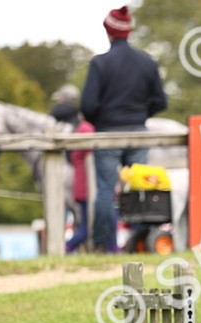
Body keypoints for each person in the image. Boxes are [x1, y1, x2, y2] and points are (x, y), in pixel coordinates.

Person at [81, 5, 168, 252]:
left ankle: (102, 246)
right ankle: (141, 242)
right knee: (141, 187)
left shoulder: (99, 64)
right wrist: (140, 116)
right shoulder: (147, 62)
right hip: (138, 133)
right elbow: (161, 101)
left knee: (106, 191)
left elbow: (88, 105)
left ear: (108, 31)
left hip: (108, 134)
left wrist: (102, 121)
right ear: (128, 31)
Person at [50, 85, 95, 253]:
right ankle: (68, 247)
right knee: (85, 222)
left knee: (82, 222)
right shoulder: (81, 124)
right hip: (81, 182)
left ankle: (65, 247)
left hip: (77, 181)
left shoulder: (70, 118)